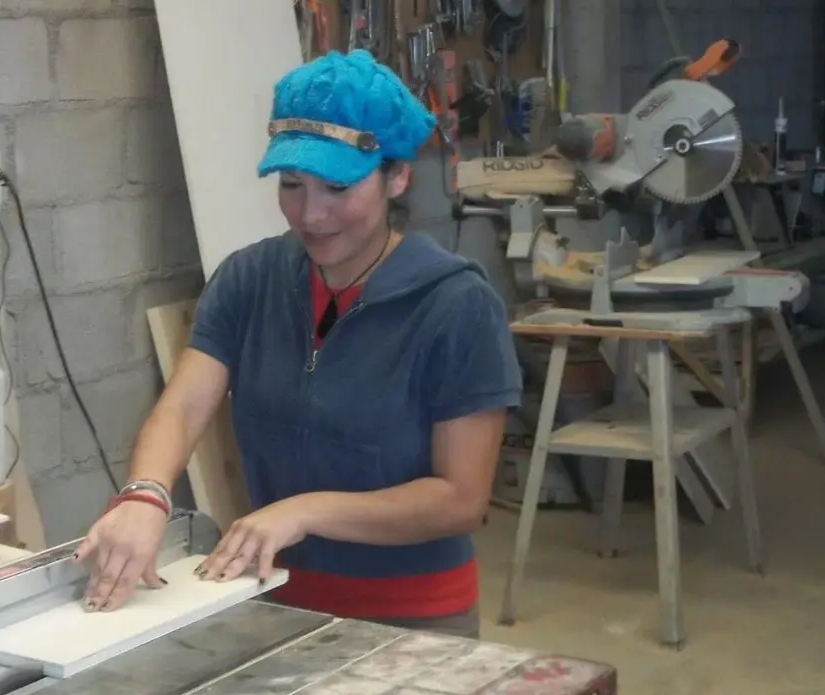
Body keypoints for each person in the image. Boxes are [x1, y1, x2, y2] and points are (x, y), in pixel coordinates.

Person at [72, 49, 522, 639]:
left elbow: (460, 499)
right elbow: (183, 407)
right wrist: (144, 494)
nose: (311, 214)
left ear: (398, 176)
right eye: (291, 185)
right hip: (272, 599)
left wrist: (305, 511)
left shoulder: (455, 305)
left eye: (337, 187)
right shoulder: (249, 280)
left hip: (413, 617)